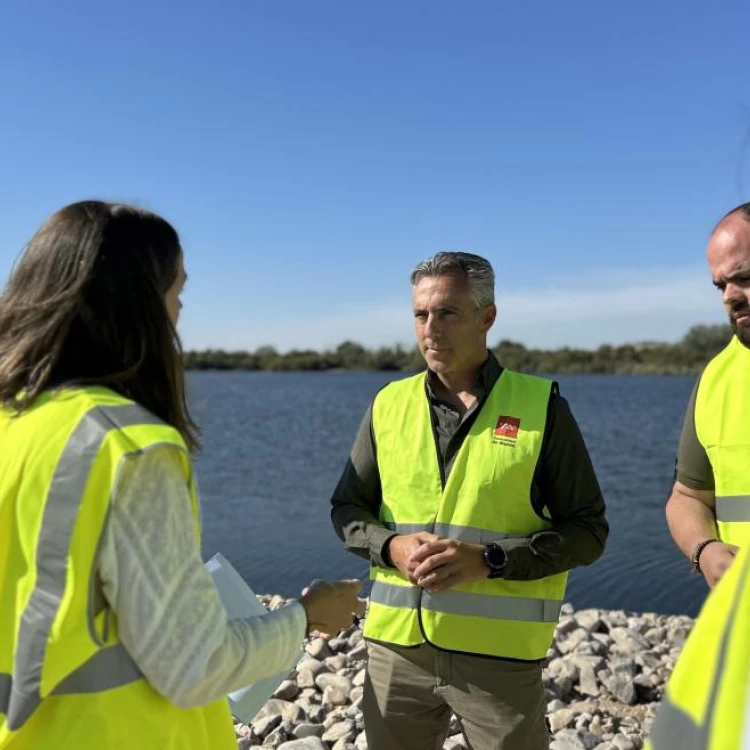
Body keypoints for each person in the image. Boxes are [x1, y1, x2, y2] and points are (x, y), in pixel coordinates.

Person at [0, 201, 365, 749]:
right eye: (176, 293)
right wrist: (307, 616)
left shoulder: (13, 423)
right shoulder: (129, 447)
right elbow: (197, 666)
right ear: (138, 306)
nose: (178, 314)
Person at [330, 251, 609, 750]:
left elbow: (588, 531)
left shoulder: (541, 407)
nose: (430, 329)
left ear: (488, 317)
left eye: (448, 313)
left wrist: (492, 560)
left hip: (498, 663)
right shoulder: (387, 404)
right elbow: (347, 510)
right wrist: (390, 547)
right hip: (395, 653)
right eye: (421, 314)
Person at [666, 202, 750, 588]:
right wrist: (706, 549)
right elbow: (688, 497)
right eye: (721, 285)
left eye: (745, 278)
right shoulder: (717, 377)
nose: (729, 297)